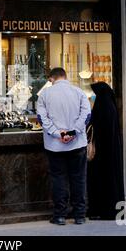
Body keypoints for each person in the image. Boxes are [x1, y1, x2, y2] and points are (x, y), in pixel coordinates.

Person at [37, 68, 91, 225]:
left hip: (55, 146)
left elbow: (42, 119)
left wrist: (58, 134)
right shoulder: (79, 92)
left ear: (52, 79)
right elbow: (86, 115)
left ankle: (59, 215)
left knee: (58, 179)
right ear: (65, 76)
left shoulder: (45, 95)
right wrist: (73, 132)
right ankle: (79, 215)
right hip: (78, 144)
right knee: (79, 179)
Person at [87, 82, 125, 220]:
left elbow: (95, 125)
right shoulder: (110, 106)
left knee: (101, 181)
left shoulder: (102, 107)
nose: (94, 96)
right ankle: (113, 211)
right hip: (110, 152)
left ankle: (101, 210)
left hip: (101, 154)